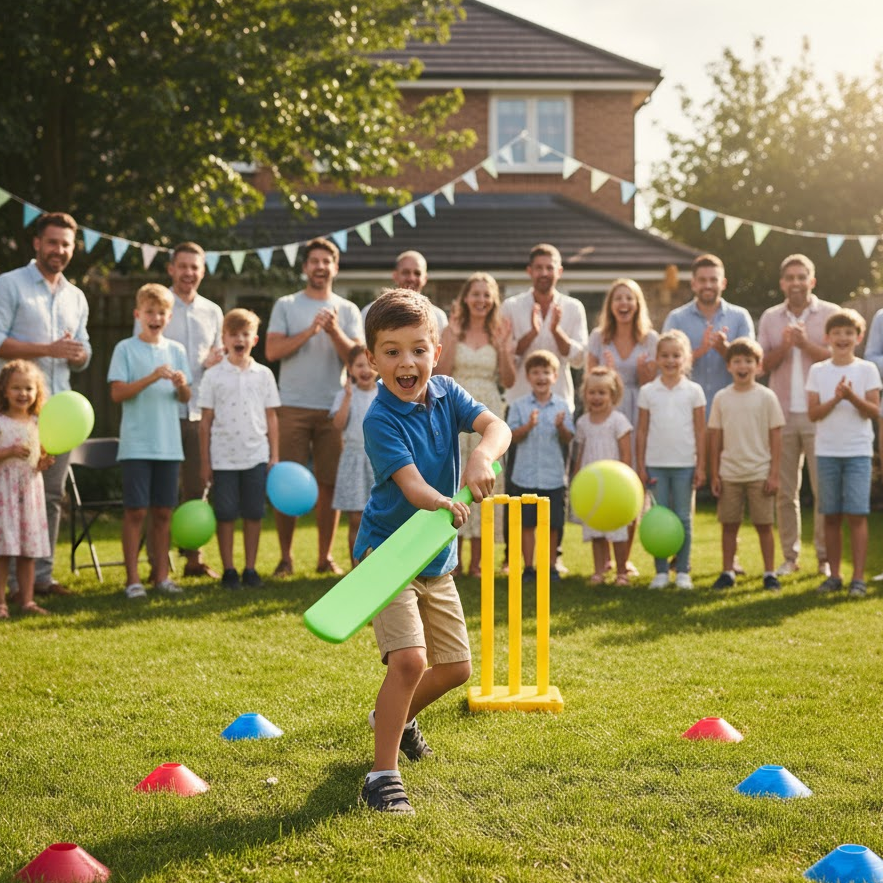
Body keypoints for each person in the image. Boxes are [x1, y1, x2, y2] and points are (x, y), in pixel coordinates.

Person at [355, 288, 510, 814]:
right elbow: (412, 486)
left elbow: (498, 427)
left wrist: (482, 457)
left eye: (418, 349)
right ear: (372, 359)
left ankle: (391, 719)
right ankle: (382, 775)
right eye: (392, 351)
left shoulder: (446, 393)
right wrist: (446, 500)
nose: (407, 362)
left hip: (435, 557)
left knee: (456, 668)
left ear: (436, 351)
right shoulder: (380, 419)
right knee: (409, 661)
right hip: (387, 556)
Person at [0, 211, 91, 597]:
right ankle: (5, 584)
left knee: (50, 495)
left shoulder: (76, 296)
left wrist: (76, 354)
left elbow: (85, 352)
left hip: (57, 414)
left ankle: (41, 579)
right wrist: (47, 349)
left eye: (66, 244)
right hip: (15, 412)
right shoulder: (9, 284)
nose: (59, 250)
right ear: (37, 243)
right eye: (52, 242)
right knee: (6, 497)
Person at [265, 237, 363, 576]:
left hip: (333, 409)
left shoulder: (347, 310)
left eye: (327, 261)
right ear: (305, 266)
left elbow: (358, 362)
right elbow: (272, 352)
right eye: (314, 261)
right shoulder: (286, 304)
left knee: (329, 483)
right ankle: (285, 558)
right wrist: (310, 330)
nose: (320, 267)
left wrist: (334, 330)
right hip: (291, 404)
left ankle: (324, 558)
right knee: (285, 481)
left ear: (335, 268)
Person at [108, 284, 191, 599]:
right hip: (137, 445)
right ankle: (132, 581)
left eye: (161, 313)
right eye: (149, 312)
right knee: (135, 513)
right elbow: (117, 393)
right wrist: (151, 378)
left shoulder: (177, 351)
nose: (155, 317)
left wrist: (182, 385)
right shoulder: (125, 349)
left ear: (169, 317)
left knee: (164, 513)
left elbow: (185, 397)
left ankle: (161, 577)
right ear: (138, 314)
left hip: (169, 446)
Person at [434, 272, 515, 576]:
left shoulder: (499, 333)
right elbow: (440, 372)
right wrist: (451, 336)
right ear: (465, 298)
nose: (481, 300)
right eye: (475, 294)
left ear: (493, 300)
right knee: (453, 479)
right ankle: (451, 559)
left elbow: (508, 380)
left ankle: (479, 562)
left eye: (486, 295)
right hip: (456, 408)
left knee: (485, 482)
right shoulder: (450, 330)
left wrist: (506, 348)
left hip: (488, 409)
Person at [153, 242, 224, 578]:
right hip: (163, 412)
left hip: (199, 413)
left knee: (197, 487)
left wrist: (211, 364)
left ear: (203, 271)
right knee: (162, 490)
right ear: (171, 269)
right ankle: (158, 564)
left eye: (194, 267)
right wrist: (200, 365)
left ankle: (194, 558)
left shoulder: (213, 311)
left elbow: (218, 360)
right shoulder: (158, 306)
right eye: (182, 266)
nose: (188, 273)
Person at [198, 308, 280, 589]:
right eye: (233, 334)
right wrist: (205, 462)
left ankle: (250, 568)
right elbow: (205, 421)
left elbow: (272, 417)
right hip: (222, 458)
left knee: (254, 514)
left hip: (256, 455)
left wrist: (274, 455)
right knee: (225, 514)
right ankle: (229, 569)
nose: (239, 339)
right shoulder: (213, 376)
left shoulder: (264, 375)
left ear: (254, 339)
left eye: (245, 334)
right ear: (224, 338)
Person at [806, 309, 881, 598]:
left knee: (857, 515)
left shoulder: (867, 370)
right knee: (832, 516)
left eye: (848, 333)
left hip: (858, 453)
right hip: (826, 453)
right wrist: (837, 399)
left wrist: (851, 397)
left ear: (858, 338)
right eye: (837, 333)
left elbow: (874, 411)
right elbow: (813, 413)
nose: (842, 338)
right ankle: (835, 575)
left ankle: (858, 578)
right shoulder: (818, 371)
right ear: (827, 337)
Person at [708, 338, 784, 592]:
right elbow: (715, 437)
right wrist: (715, 473)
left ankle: (770, 573)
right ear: (729, 366)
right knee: (729, 525)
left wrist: (774, 474)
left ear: (758, 366)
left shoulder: (767, 397)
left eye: (748, 361)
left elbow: (776, 437)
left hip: (760, 473)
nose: (743, 366)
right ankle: (728, 571)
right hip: (729, 473)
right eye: (737, 361)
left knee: (764, 525)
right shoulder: (721, 398)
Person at [636, 330, 707, 590]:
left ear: (686, 358)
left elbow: (701, 430)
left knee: (683, 518)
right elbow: (642, 430)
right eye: (664, 355)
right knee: (658, 517)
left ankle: (684, 571)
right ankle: (661, 571)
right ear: (656, 358)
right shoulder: (647, 392)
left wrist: (701, 465)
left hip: (685, 465)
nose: (670, 360)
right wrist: (641, 465)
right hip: (656, 464)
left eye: (676, 355)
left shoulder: (694, 391)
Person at [506, 350, 574, 582]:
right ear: (528, 376)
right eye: (536, 372)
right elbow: (511, 436)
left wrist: (561, 427)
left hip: (553, 477)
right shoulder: (518, 406)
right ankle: (529, 567)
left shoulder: (563, 406)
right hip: (524, 476)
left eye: (546, 372)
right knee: (527, 524)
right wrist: (528, 426)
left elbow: (569, 438)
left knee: (553, 524)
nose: (541, 377)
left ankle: (551, 566)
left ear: (555, 376)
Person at [662, 254, 754, 417]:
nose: (708, 285)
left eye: (713, 280)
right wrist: (701, 350)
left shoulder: (740, 317)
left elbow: (751, 365)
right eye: (702, 280)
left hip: (732, 409)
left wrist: (725, 349)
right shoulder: (676, 318)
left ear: (723, 283)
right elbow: (664, 365)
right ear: (693, 284)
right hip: (686, 410)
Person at [501, 243, 589, 413]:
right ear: (529, 271)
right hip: (519, 402)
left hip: (559, 402)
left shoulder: (573, 307)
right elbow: (506, 355)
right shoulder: (511, 306)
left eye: (549, 268)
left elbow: (579, 359)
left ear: (559, 271)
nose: (544, 273)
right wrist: (532, 333)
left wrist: (556, 331)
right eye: (538, 268)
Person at [0, 360, 54, 617]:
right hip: (4, 493)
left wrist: (43, 462)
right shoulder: (1, 421)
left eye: (28, 388)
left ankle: (27, 600)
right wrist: (8, 452)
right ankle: (0, 602)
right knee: (3, 550)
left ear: (37, 392)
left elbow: (37, 457)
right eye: (16, 388)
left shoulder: (37, 423)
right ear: (4, 391)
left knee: (27, 551)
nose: (23, 394)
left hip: (30, 493)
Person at [572, 366, 632, 585]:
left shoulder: (619, 421)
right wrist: (577, 478)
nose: (596, 397)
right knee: (596, 532)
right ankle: (599, 571)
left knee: (618, 532)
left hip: (615, 487)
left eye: (602, 393)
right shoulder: (582, 423)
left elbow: (626, 455)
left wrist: (627, 484)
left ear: (612, 395)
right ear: (585, 394)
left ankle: (622, 572)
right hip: (592, 489)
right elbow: (579, 456)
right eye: (592, 392)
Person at [587, 278, 658, 432]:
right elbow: (589, 383)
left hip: (640, 409)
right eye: (618, 298)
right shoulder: (598, 337)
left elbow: (652, 387)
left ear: (637, 304)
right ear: (610, 306)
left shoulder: (650, 339)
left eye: (629, 298)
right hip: (606, 409)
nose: (623, 302)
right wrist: (607, 375)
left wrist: (642, 372)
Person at [330, 344, 378, 568]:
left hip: (379, 462)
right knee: (356, 519)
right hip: (353, 460)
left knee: (380, 518)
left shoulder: (384, 392)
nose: (365, 370)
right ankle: (356, 568)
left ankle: (378, 567)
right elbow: (338, 425)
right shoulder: (343, 394)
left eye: (369, 364)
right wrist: (348, 397)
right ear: (349, 369)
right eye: (359, 365)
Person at [361, 250, 448, 334]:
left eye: (417, 273)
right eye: (406, 272)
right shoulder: (371, 312)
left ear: (425, 278)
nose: (411, 278)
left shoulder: (438, 317)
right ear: (395, 276)